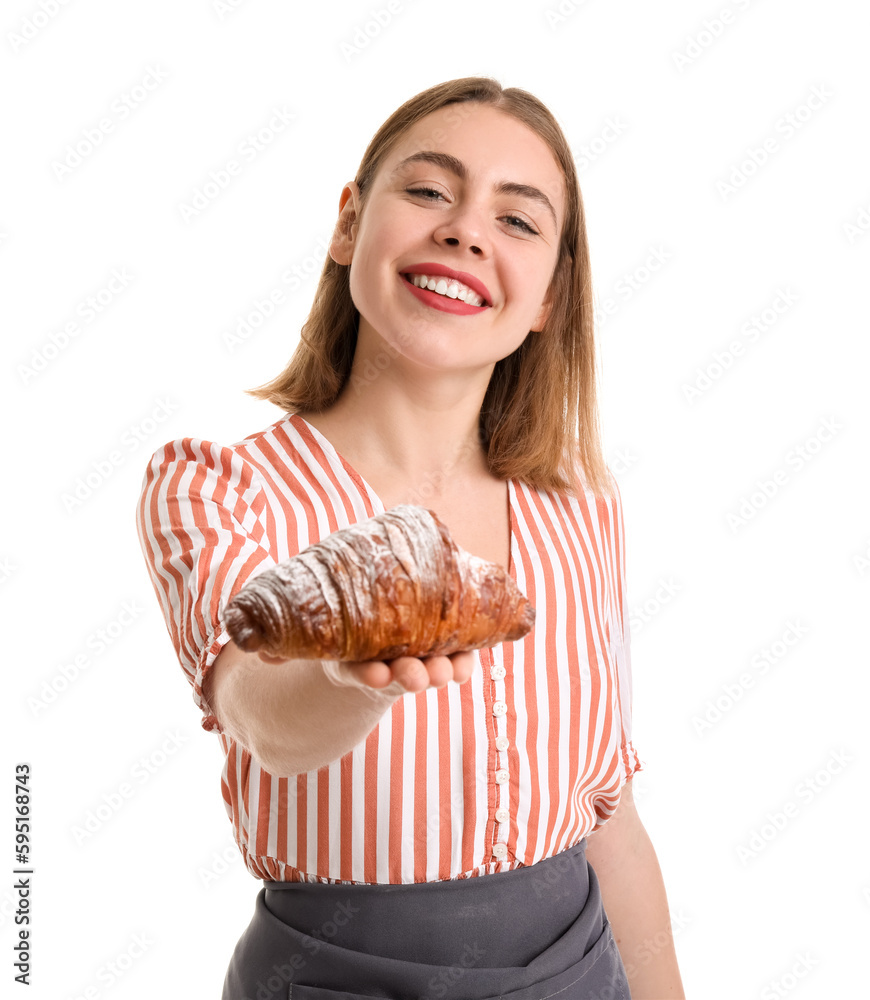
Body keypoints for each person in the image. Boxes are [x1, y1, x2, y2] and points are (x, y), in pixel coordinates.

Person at [136, 76, 686, 999]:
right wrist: (350, 676)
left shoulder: (581, 506)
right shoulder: (218, 488)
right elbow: (259, 714)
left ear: (550, 295)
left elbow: (610, 817)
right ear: (349, 225)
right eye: (429, 191)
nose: (465, 230)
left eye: (518, 220)